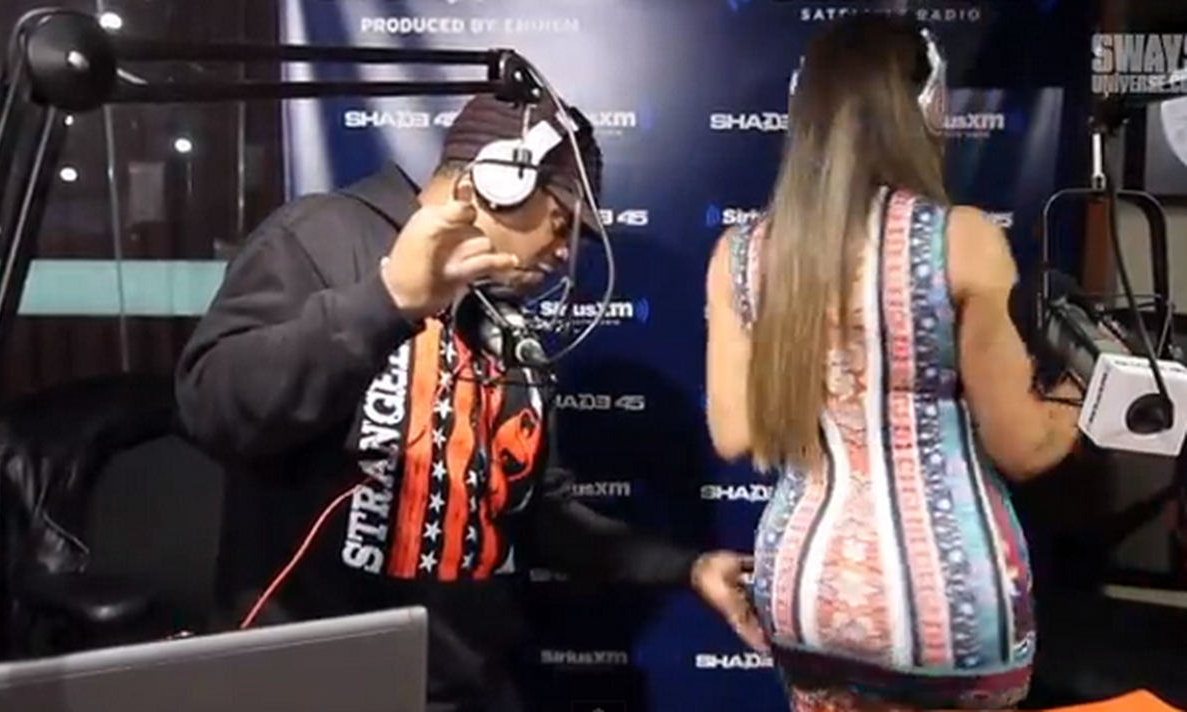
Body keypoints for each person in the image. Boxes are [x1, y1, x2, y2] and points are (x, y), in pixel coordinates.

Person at [176, 94, 765, 712]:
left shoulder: (505, 324)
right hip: (309, 688)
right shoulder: (320, 238)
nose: (565, 252)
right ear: (500, 180)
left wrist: (685, 567)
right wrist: (388, 302)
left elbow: (535, 515)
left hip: (464, 689)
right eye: (560, 221)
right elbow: (210, 404)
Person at [704, 14, 1081, 712]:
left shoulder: (741, 254)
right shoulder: (962, 240)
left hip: (803, 595)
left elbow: (734, 434)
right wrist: (1079, 392)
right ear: (927, 111)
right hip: (948, 607)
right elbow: (1024, 447)